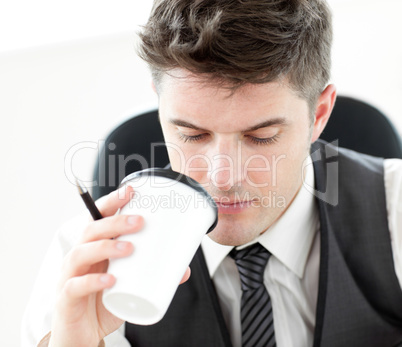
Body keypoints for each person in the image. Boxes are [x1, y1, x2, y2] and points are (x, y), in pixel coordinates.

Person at [23, 0, 402, 346]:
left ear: (318, 114)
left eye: (261, 137)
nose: (222, 177)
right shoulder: (84, 263)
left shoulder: (394, 210)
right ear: (160, 107)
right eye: (192, 134)